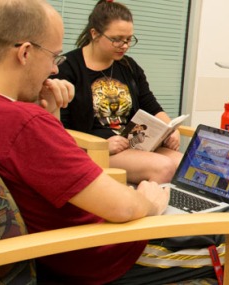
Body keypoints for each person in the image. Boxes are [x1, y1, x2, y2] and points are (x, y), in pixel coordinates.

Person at [0, 0, 229, 283]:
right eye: (52, 56)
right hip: (107, 256)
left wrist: (49, 113)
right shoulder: (22, 123)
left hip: (68, 247)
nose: (54, 69)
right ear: (24, 53)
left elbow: (41, 169)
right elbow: (124, 209)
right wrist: (149, 199)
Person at [53, 0, 180, 184]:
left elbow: (151, 105)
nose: (124, 45)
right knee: (164, 167)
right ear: (95, 34)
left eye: (129, 39)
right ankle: (143, 209)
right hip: (96, 149)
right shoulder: (67, 68)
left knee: (184, 164)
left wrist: (170, 129)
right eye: (117, 39)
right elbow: (60, 127)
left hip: (134, 143)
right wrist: (103, 144)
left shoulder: (129, 66)